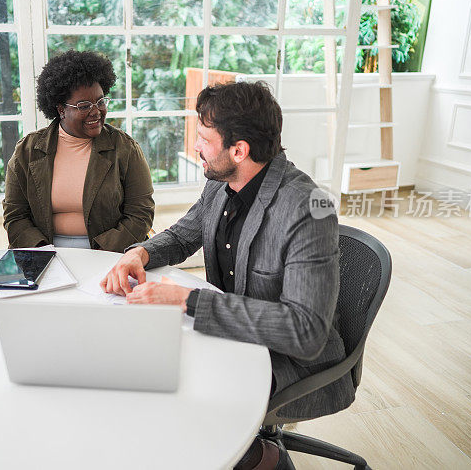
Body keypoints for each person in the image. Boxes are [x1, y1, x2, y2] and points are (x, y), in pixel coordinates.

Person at [101, 81, 354, 469]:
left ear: (239, 150)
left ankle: (263, 459)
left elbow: (305, 331)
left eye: (203, 138)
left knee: (173, 397)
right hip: (233, 339)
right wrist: (140, 252)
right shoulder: (221, 183)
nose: (195, 147)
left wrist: (188, 300)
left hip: (289, 360)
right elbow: (187, 232)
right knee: (139, 369)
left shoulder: (307, 210)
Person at [3, 50, 154, 252]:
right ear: (61, 109)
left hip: (110, 252)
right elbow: (15, 215)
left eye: (101, 101)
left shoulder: (125, 148)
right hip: (43, 251)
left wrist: (99, 253)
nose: (96, 111)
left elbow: (140, 214)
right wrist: (43, 252)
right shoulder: (27, 151)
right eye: (84, 106)